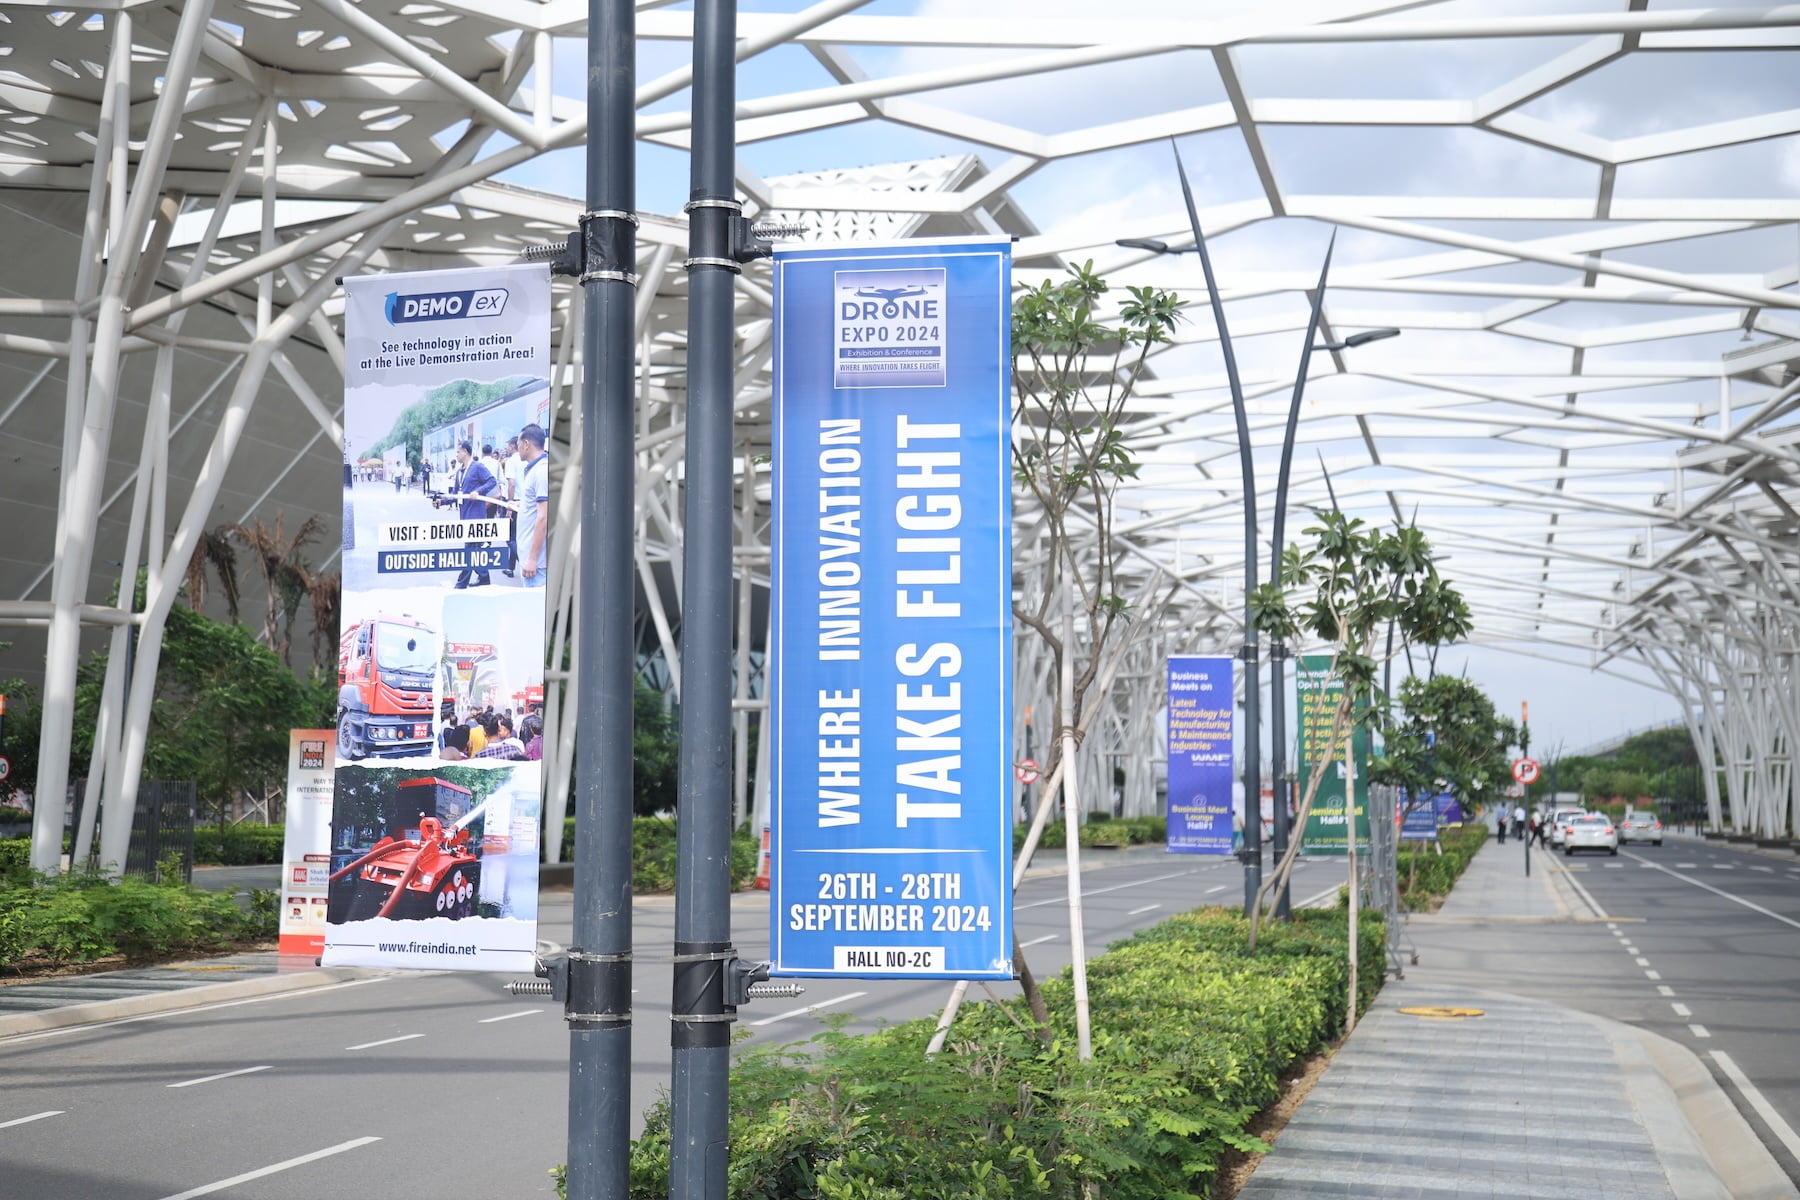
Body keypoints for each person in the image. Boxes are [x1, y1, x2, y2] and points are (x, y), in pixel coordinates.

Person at [450, 440, 498, 588]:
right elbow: (455, 494)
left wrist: (478, 491)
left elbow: (492, 481)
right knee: (475, 550)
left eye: (458, 452)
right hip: (465, 516)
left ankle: (461, 583)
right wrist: (441, 501)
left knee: (470, 550)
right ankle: (484, 577)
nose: (457, 455)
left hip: (476, 516)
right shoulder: (459, 472)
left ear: (465, 452)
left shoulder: (477, 467)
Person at [517, 422, 550, 588]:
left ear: (526, 444)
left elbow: (543, 517)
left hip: (537, 567)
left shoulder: (541, 471)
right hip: (533, 562)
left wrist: (532, 559)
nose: (517, 449)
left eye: (518, 444)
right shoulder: (536, 470)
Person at [500, 436, 522, 577]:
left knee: (509, 537)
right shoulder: (528, 460)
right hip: (528, 503)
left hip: (515, 503)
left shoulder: (511, 461)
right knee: (518, 536)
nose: (507, 448)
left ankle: (524, 563)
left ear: (513, 446)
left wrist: (509, 505)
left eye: (509, 446)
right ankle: (510, 567)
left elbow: (511, 484)